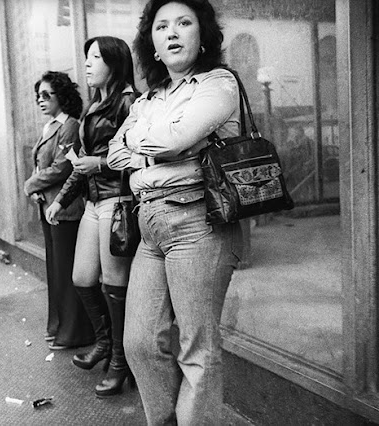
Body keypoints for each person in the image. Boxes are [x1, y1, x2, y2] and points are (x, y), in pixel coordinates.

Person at [107, 0, 242, 424]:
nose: (172, 32)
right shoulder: (150, 97)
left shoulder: (218, 84)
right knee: (139, 343)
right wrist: (161, 145)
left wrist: (148, 143)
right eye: (162, 26)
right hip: (150, 226)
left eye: (184, 23)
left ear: (202, 36)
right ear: (152, 44)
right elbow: (113, 153)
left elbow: (174, 139)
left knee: (197, 349)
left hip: (198, 221)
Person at [45, 36, 140, 397]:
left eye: (96, 57)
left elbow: (139, 155)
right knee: (83, 279)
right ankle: (105, 343)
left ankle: (120, 360)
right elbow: (80, 162)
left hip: (118, 201)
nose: (87, 63)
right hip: (93, 202)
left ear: (115, 63)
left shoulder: (129, 102)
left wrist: (98, 163)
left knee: (115, 285)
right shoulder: (94, 106)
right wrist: (61, 199)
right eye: (87, 56)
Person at [24, 71, 94, 350]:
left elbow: (62, 167)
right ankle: (58, 325)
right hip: (49, 207)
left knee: (66, 271)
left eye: (46, 95)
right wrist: (37, 187)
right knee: (55, 269)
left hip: (66, 209)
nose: (40, 100)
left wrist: (30, 184)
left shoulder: (70, 125)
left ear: (61, 96)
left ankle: (75, 332)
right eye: (38, 96)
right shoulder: (50, 126)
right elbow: (41, 165)